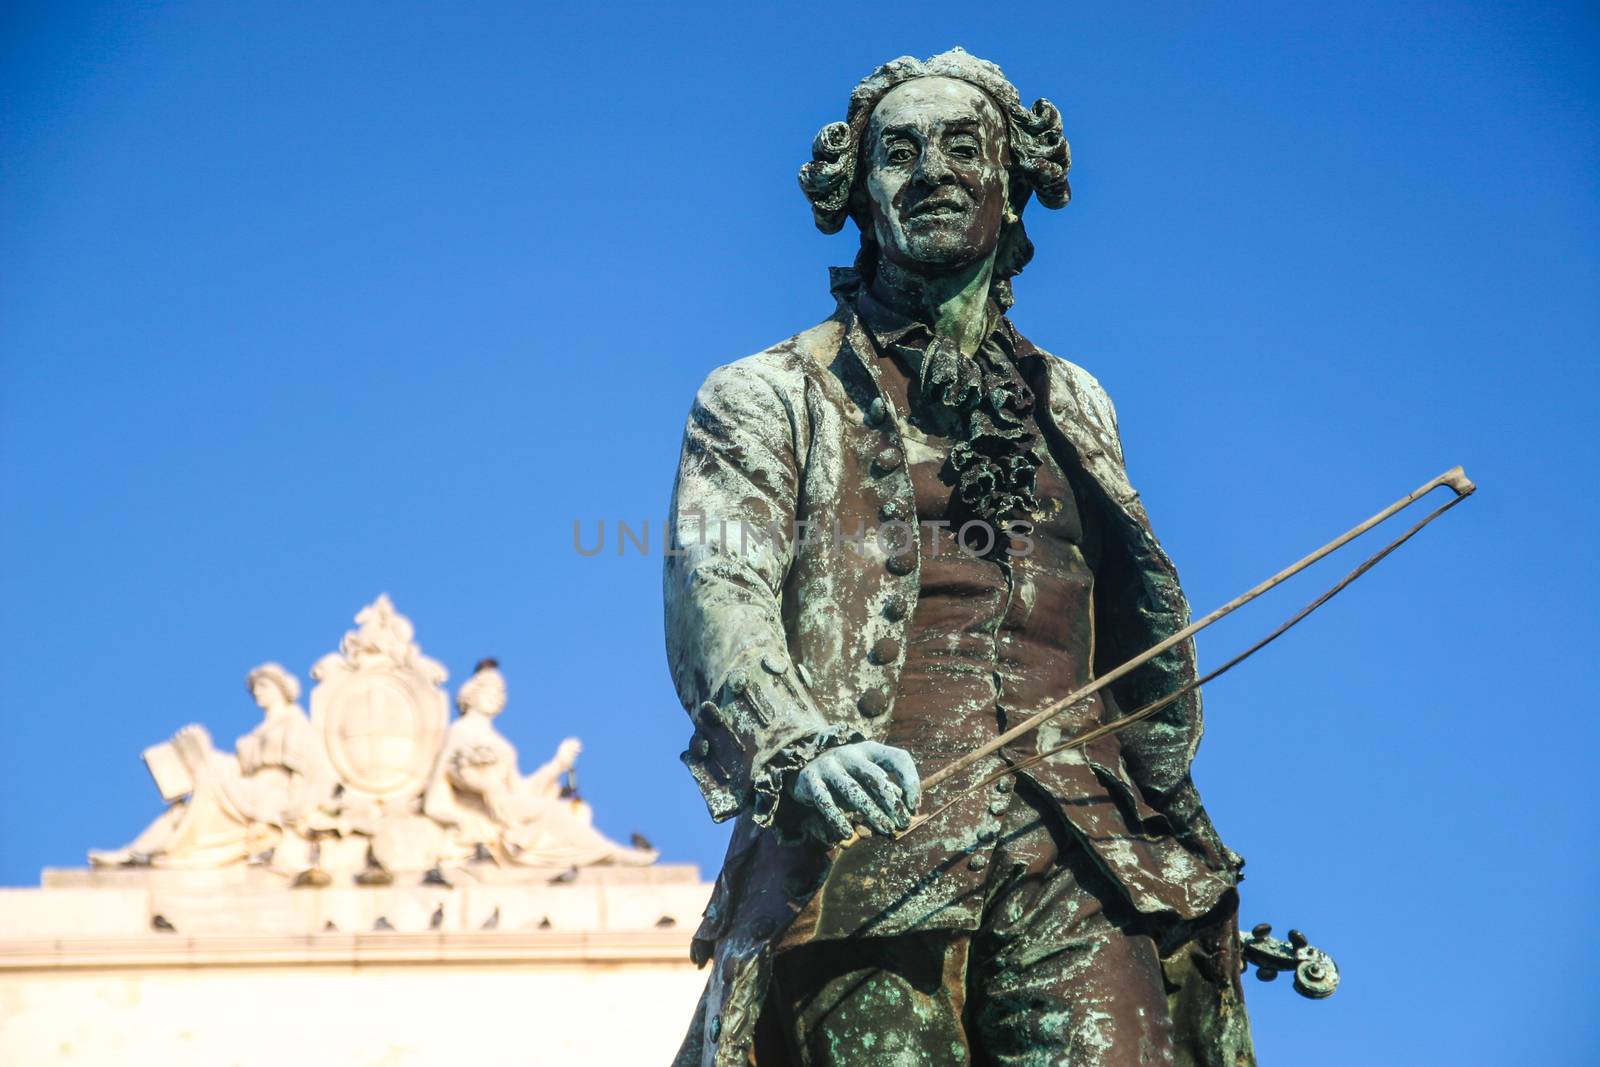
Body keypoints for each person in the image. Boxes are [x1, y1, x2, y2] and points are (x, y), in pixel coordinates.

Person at [664, 49, 1253, 1067]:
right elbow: (721, 584)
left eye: (961, 146)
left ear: (1011, 179)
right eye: (899, 150)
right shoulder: (764, 393)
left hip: (1085, 846)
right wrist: (800, 747)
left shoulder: (1078, 400)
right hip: (864, 853)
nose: (930, 170)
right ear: (859, 188)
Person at [91, 663, 331, 869]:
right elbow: (236, 768)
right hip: (249, 791)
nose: (258, 692)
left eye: (264, 686)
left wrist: (295, 811)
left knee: (207, 781)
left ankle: (158, 852)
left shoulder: (295, 724)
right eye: (255, 688)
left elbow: (311, 772)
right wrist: (201, 749)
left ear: (281, 689)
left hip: (272, 797)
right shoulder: (257, 733)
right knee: (181, 810)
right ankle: (136, 853)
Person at [421, 659, 657, 868]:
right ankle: (611, 855)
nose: (497, 695)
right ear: (470, 694)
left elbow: (521, 791)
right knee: (553, 811)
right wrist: (465, 819)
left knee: (571, 811)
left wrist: (558, 764)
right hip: (496, 816)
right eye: (489, 689)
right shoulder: (458, 732)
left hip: (509, 809)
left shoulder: (500, 743)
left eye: (501, 691)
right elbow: (434, 798)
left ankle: (610, 854)